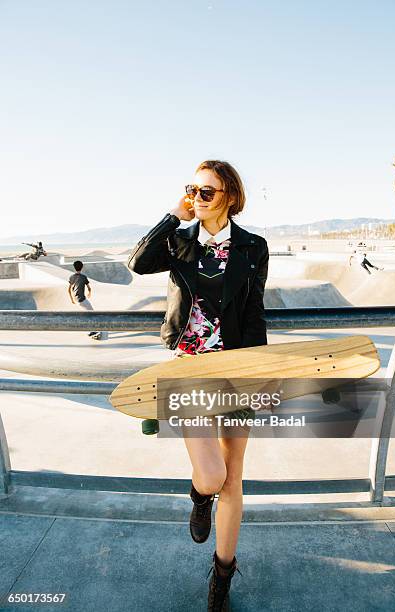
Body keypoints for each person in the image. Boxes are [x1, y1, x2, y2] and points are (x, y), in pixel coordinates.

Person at [127, 160, 269, 611]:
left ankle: (222, 578)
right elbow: (137, 262)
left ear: (230, 196)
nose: (197, 197)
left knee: (234, 478)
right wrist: (174, 216)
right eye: (192, 189)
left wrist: (260, 371)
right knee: (212, 476)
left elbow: (254, 312)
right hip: (188, 369)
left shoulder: (253, 247)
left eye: (207, 191)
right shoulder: (179, 240)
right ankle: (198, 494)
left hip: (236, 370)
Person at [68, 260, 101, 340]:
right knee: (92, 313)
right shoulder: (83, 277)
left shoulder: (71, 277)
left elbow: (69, 289)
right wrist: (89, 292)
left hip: (76, 299)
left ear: (74, 268)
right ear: (82, 267)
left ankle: (92, 330)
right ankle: (92, 331)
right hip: (81, 299)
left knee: (88, 313)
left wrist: (72, 299)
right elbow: (89, 288)